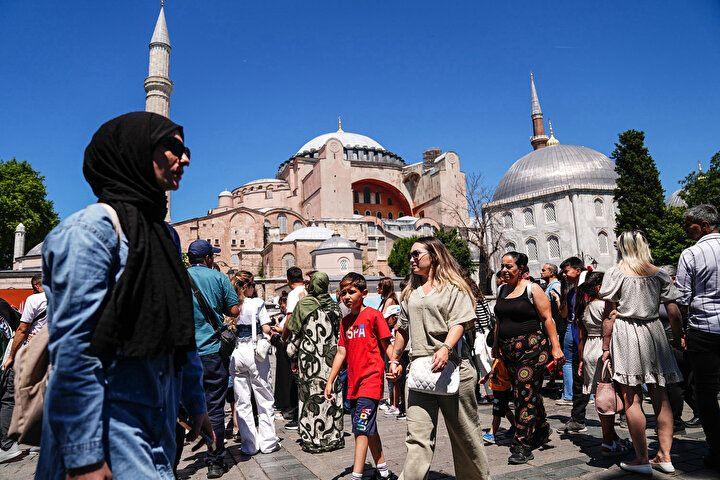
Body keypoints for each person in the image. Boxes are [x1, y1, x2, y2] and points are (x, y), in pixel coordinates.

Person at [36, 112, 212, 479]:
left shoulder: (164, 237)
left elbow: (180, 334)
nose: (186, 159)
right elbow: (74, 348)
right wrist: (83, 457)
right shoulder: (90, 232)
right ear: (135, 151)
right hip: (108, 429)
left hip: (158, 421)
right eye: (173, 148)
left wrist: (196, 402)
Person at [389, 237, 491, 478]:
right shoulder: (410, 292)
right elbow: (402, 329)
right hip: (420, 369)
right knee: (417, 438)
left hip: (454, 368)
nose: (411, 259)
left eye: (417, 254)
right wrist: (394, 358)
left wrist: (446, 347)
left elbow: (460, 322)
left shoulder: (455, 288)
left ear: (434, 256)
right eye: (410, 255)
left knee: (465, 436)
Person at [599, 231, 683, 475]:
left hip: (626, 331)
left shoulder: (615, 273)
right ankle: (665, 456)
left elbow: (608, 315)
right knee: (661, 395)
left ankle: (642, 458)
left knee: (631, 397)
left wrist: (605, 347)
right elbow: (674, 312)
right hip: (655, 331)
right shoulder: (660, 273)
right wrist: (678, 337)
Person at [493, 251, 564, 464]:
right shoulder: (501, 290)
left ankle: (522, 444)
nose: (504, 271)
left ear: (522, 269)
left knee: (523, 396)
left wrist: (556, 347)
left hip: (531, 350)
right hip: (509, 353)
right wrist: (496, 345)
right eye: (503, 266)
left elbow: (547, 318)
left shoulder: (532, 289)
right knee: (526, 392)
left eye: (509, 267)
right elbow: (499, 321)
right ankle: (541, 427)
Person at [325, 272, 395, 480]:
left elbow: (386, 345)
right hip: (353, 384)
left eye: (352, 292)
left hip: (371, 381)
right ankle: (383, 470)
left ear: (364, 293)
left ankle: (357, 475)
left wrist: (394, 362)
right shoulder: (345, 322)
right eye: (343, 292)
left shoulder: (374, 315)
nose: (347, 296)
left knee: (361, 428)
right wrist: (330, 380)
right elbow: (341, 352)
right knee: (369, 427)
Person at [187, 239, 240, 477]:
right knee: (215, 407)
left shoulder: (177, 277)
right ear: (208, 258)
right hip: (212, 353)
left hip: (184, 354)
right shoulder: (218, 278)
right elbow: (234, 310)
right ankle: (215, 461)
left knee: (178, 408)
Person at [676, 204, 720, 471]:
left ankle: (717, 447)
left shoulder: (692, 254)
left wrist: (681, 331)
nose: (686, 229)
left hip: (704, 329)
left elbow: (682, 298)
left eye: (689, 224)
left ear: (704, 225)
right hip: (705, 328)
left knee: (705, 392)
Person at [286, 272, 345, 453]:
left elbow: (294, 334)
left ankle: (313, 438)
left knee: (309, 396)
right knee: (331, 395)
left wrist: (291, 355)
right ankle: (333, 436)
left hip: (309, 360)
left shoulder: (304, 305)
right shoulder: (335, 308)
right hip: (331, 360)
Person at [576, 272, 631, 456]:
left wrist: (581, 359)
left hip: (590, 350)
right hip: (603, 348)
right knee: (606, 398)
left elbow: (582, 335)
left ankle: (612, 437)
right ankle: (608, 440)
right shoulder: (603, 306)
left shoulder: (586, 305)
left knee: (602, 396)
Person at [229, 271, 279, 455]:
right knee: (264, 397)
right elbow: (266, 327)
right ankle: (268, 443)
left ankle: (249, 445)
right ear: (247, 286)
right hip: (254, 352)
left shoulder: (233, 306)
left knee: (242, 401)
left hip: (237, 353)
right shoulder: (257, 303)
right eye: (253, 286)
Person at [0, 276, 45, 463]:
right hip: (51, 352)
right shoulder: (64, 296)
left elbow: (21, 329)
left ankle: (7, 445)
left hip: (30, 352)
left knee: (9, 397)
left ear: (36, 285)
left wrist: (10, 356)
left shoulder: (34, 300)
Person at [556, 257, 590, 436]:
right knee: (578, 381)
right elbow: (564, 313)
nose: (564, 274)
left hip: (592, 340)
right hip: (578, 340)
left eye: (566, 270)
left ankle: (622, 414)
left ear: (578, 270)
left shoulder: (590, 288)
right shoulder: (570, 292)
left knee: (606, 380)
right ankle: (577, 418)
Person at [280, 266, 306, 430]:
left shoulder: (292, 294)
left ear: (288, 280)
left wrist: (284, 336)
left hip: (296, 340)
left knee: (296, 377)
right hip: (309, 339)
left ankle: (297, 415)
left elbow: (289, 318)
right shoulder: (308, 290)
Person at [479, 358, 515, 445]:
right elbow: (492, 371)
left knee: (497, 412)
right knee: (505, 409)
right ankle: (515, 426)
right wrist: (486, 378)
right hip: (498, 389)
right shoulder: (497, 359)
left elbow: (510, 374)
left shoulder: (503, 361)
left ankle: (492, 434)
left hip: (502, 389)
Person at [377, 278, 400, 415]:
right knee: (388, 370)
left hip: (389, 339)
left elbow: (382, 318)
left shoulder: (390, 301)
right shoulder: (386, 300)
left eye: (380, 287)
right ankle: (392, 400)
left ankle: (394, 403)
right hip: (386, 338)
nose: (378, 289)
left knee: (391, 370)